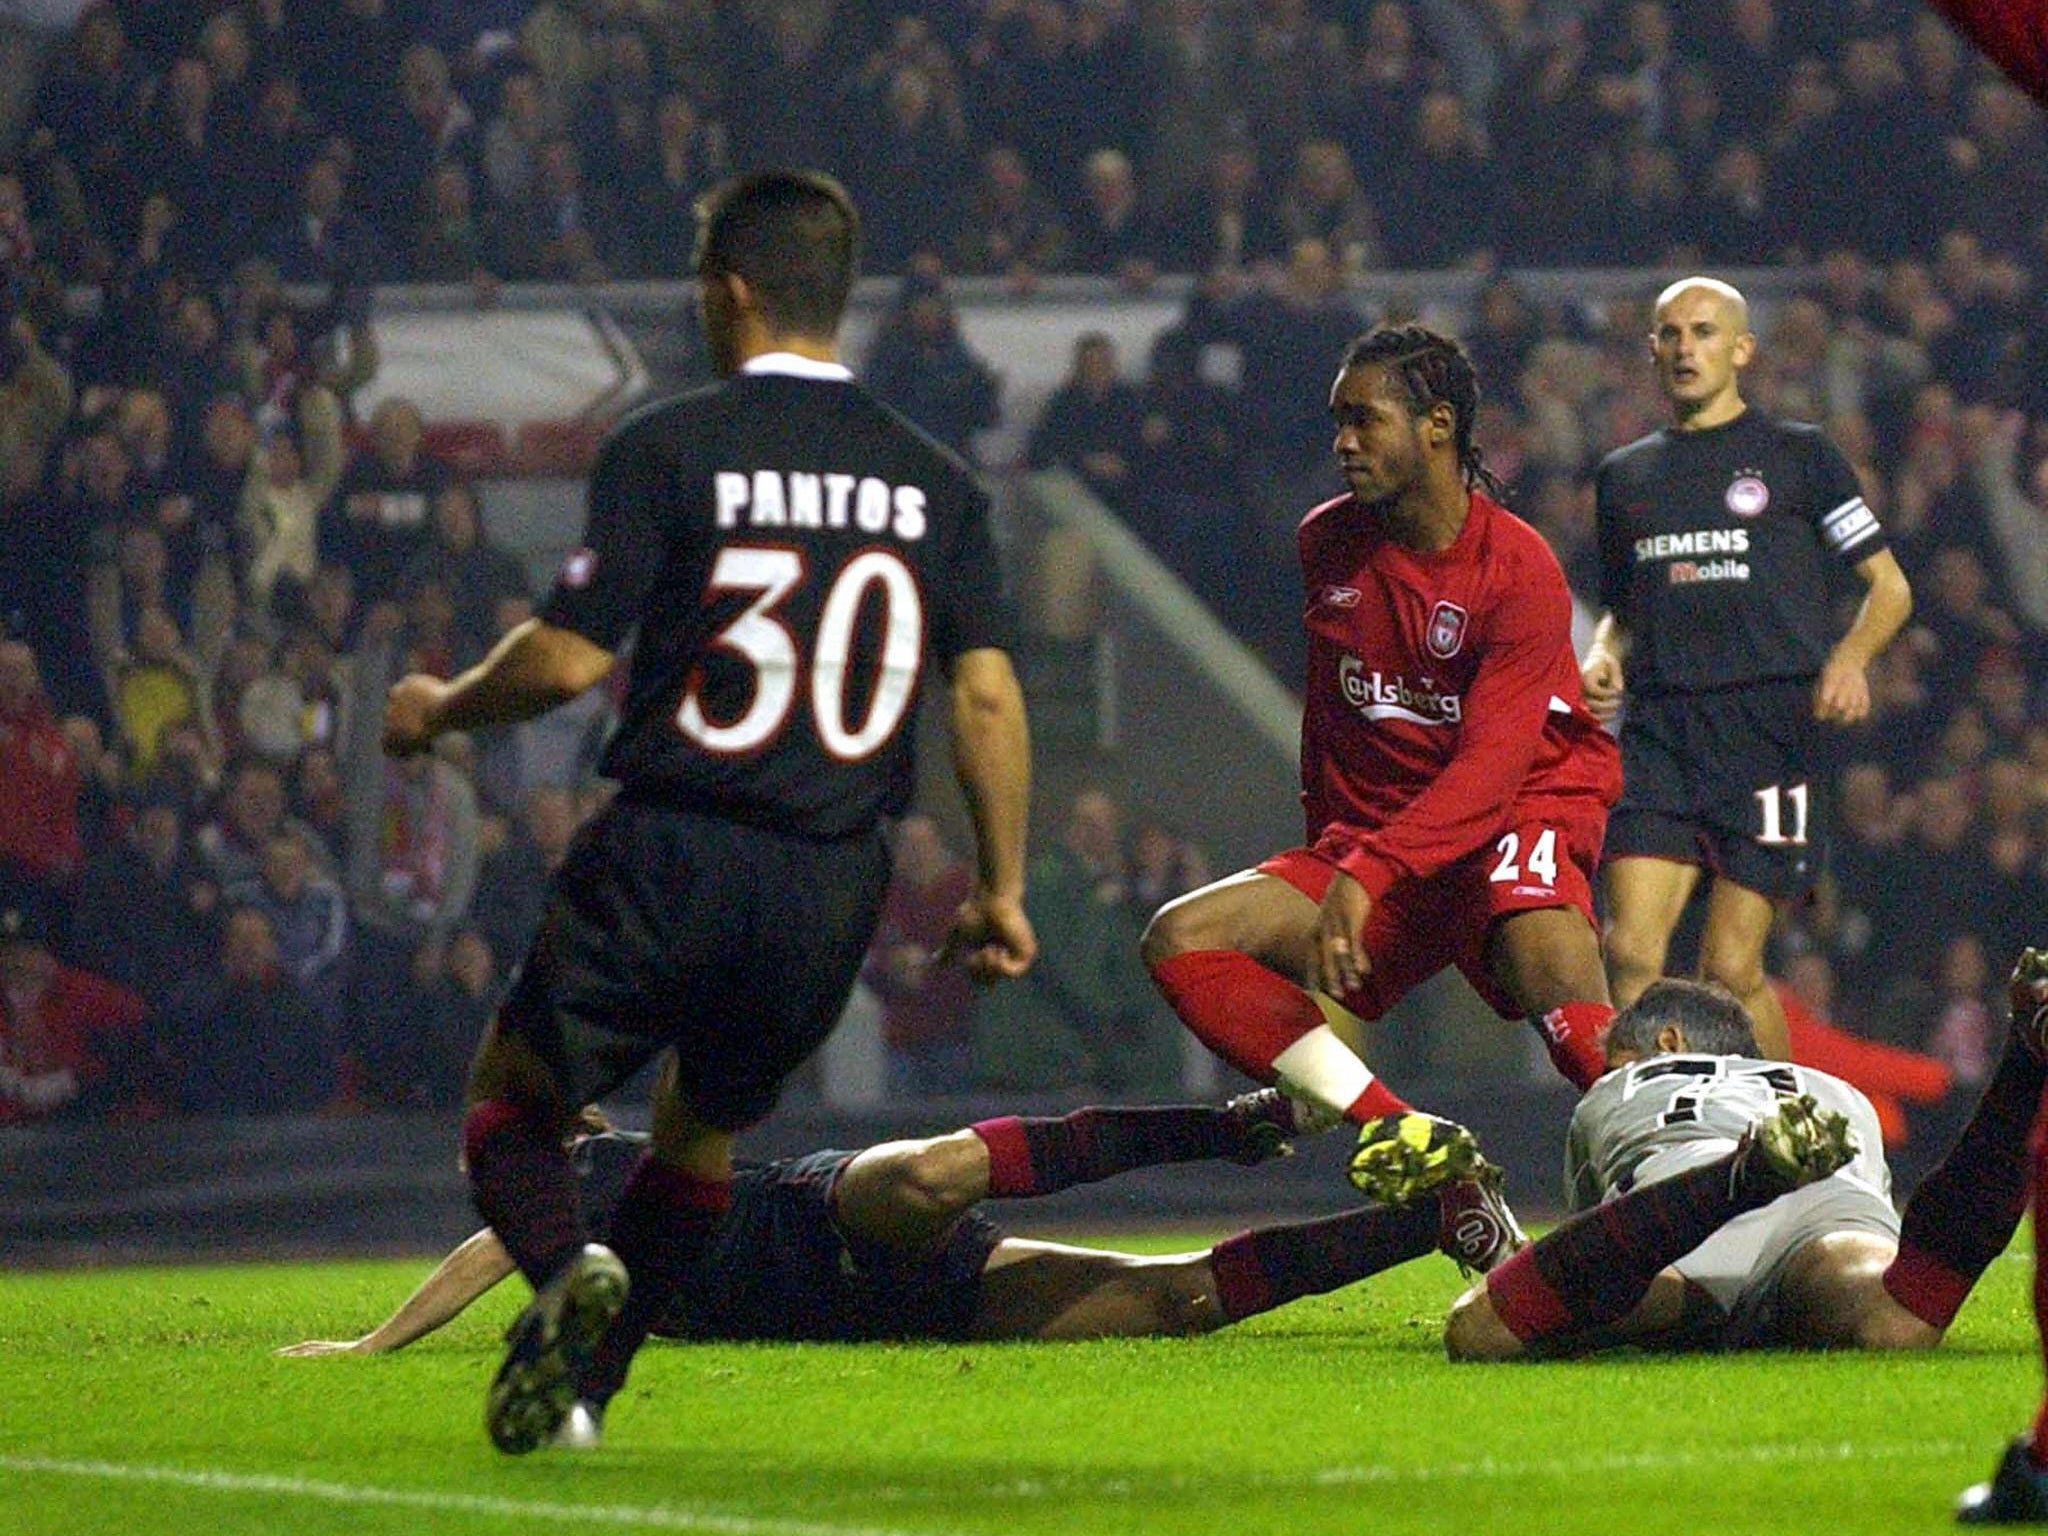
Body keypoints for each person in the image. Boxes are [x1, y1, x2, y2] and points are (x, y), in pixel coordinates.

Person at [379, 169, 1035, 1456]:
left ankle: (572, 1277)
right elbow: (989, 700)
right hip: (829, 878)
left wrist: (437, 710)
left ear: (726, 290)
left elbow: (567, 662)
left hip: (678, 835)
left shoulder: (669, 446)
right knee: (701, 1134)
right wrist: (998, 887)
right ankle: (580, 1398)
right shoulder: (938, 486)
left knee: (511, 1100)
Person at [1140, 325, 1623, 1266]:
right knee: (1180, 938)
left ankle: (1687, 1191)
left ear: (1438, 427)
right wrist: (1334, 853)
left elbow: (1489, 773)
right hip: (1380, 841)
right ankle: (1414, 1142)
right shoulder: (1327, 543)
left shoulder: (1520, 569)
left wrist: (1364, 872)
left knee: (1547, 962)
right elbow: (1334, 714)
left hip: (1514, 813)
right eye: (1337, 421)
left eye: (1365, 419)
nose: (1343, 441)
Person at [276, 1090, 1488, 1357]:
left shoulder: (590, 1170)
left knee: (928, 1179)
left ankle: (1221, 1127)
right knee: (1171, 1302)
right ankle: (1433, 1221)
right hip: (881, 1314)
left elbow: (492, 1249)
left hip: (814, 1219)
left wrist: (376, 1346)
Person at [1580, 276, 1914, 1060]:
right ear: (1653, 350)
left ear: (1741, 349)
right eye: (1670, 334)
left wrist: (1850, 660)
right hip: (1661, 730)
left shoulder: (1800, 458)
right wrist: (1601, 651)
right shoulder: (1624, 477)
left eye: (1702, 332)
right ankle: (1658, 1139)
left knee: (1729, 968)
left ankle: (1789, 1123)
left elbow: (1890, 588)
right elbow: (1624, 608)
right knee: (1628, 952)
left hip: (1773, 735)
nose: (1685, 348)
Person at [1444, 953, 2048, 1361]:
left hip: (1687, 1195)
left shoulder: (1618, 1088)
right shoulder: (1833, 1090)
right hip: (1827, 1195)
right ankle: (2025, 1060)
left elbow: (1591, 1249)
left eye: (1617, 1057)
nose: (1608, 1072)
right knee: (1895, 1317)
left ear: (1667, 1043)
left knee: (1483, 1328)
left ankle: (1744, 1177)